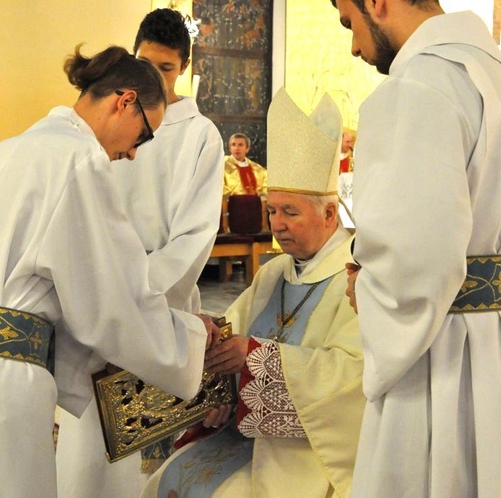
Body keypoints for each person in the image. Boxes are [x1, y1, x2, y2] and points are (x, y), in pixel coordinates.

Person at [0, 44, 221, 498]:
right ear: (124, 100)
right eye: (144, 135)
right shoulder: (78, 163)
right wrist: (192, 339)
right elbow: (112, 304)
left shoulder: (5, 151)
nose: (134, 154)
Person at [330, 1, 501, 496]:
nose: (354, 46)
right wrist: (500, 312)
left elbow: (416, 267)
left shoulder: (416, 87)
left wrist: (369, 292)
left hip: (444, 366)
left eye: (349, 23)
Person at [142, 88, 365, 498]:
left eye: (290, 212)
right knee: (168, 477)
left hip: (305, 454)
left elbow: (354, 380)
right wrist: (218, 362)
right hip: (242, 431)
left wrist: (257, 359)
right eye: (272, 210)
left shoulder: (356, 278)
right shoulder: (274, 272)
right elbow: (233, 338)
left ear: (330, 213)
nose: (276, 224)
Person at [55, 9, 224, 497]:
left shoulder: (200, 136)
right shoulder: (110, 121)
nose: (155, 77)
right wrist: (104, 290)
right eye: (145, 64)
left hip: (156, 303)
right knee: (87, 442)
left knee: (146, 444)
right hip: (99, 296)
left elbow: (195, 236)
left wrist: (134, 294)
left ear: (185, 68)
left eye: (166, 69)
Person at [222, 132, 267, 199]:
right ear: (230, 148)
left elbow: (265, 190)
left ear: (247, 149)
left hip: (256, 206)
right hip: (233, 206)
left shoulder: (258, 169)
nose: (236, 148)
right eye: (233, 145)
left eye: (240, 145)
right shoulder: (223, 166)